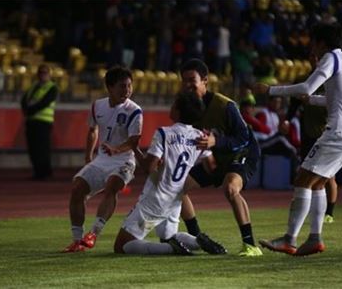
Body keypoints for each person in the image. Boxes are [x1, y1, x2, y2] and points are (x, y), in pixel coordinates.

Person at [254, 22, 342, 256]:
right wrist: (311, 101)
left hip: (337, 132)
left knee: (302, 178)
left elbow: (307, 87)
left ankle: (289, 239)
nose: (312, 46)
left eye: (314, 41)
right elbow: (339, 100)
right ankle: (314, 238)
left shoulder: (330, 58)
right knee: (319, 183)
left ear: (322, 42)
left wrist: (271, 90)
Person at [114, 93, 226, 255]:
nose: (171, 107)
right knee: (168, 236)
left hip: (156, 198)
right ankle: (197, 241)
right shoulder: (200, 137)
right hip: (175, 198)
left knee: (121, 246)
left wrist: (134, 147)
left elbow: (148, 167)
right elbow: (211, 168)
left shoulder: (164, 133)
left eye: (174, 105)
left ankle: (170, 249)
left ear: (178, 112)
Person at [180, 58, 263, 256]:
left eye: (192, 79)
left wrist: (216, 141)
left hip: (242, 152)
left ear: (205, 81)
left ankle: (251, 245)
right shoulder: (187, 107)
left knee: (230, 188)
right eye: (184, 80)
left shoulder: (225, 105)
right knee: (177, 188)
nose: (187, 85)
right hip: (215, 156)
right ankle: (198, 239)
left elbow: (243, 137)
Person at [63, 66, 142, 253]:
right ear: (110, 87)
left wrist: (116, 149)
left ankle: (94, 233)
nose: (127, 91)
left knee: (112, 186)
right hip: (102, 160)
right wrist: (88, 156)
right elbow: (92, 130)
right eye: (123, 86)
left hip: (124, 160)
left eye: (130, 86)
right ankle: (77, 241)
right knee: (77, 187)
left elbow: (134, 141)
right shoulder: (97, 105)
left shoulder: (135, 110)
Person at [286, 53, 339, 223]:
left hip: (325, 132)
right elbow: (294, 103)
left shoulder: (330, 80)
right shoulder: (303, 79)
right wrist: (287, 119)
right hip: (307, 132)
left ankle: (329, 213)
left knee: (328, 176)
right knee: (306, 172)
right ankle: (309, 209)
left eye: (319, 58)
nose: (315, 60)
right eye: (313, 57)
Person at [21, 64, 58, 180]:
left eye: (45, 72)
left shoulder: (52, 87)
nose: (42, 75)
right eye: (40, 72)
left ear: (49, 74)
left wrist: (30, 110)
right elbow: (23, 100)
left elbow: (45, 102)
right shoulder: (33, 87)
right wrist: (26, 110)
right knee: (33, 148)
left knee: (43, 148)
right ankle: (37, 172)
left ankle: (46, 172)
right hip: (31, 121)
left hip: (43, 122)